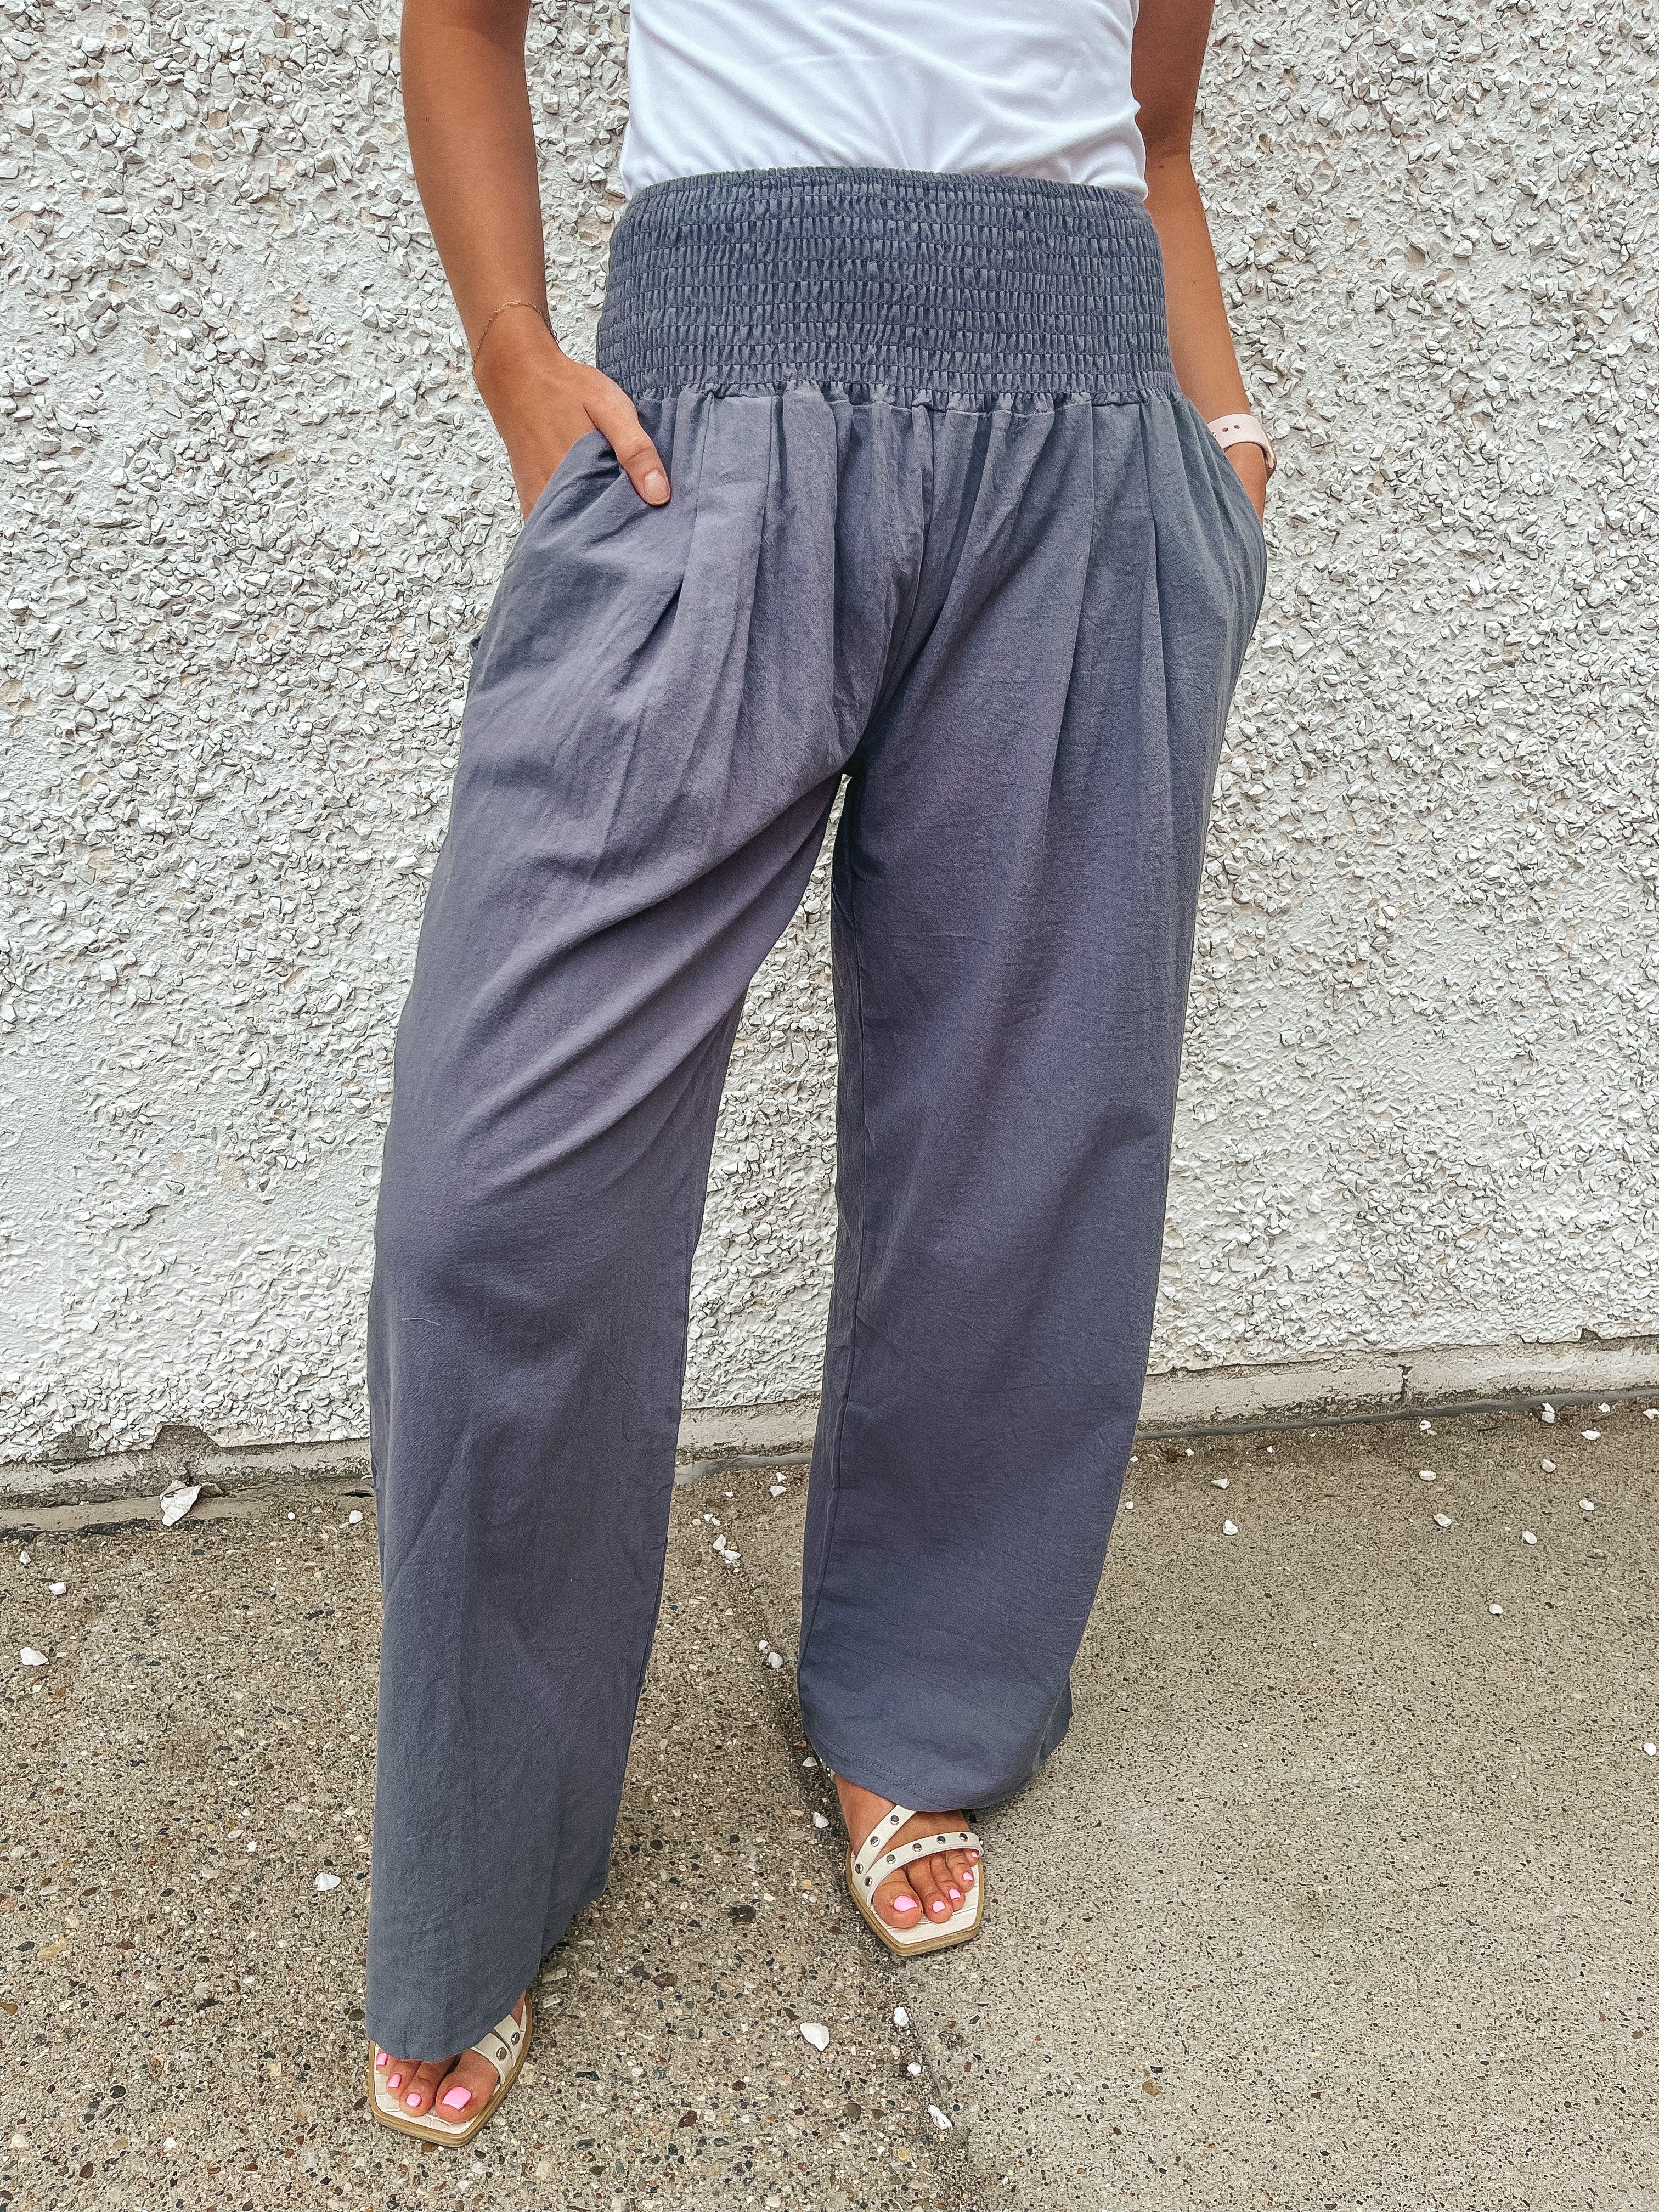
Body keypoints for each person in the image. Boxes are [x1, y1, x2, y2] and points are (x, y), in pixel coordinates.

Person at [363, 0, 1273, 2145]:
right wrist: (515, 360)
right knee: (497, 1199)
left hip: (1084, 447)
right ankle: (483, 1856)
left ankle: (923, 1704)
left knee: (1018, 1136)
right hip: (705, 419)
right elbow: (461, 18)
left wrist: (1223, 444)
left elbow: (1152, 121)